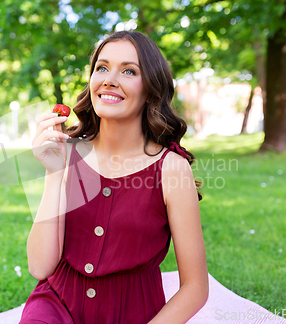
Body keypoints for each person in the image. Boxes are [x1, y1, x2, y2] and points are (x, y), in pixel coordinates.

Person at [21, 30, 208, 324]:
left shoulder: (171, 169)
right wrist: (54, 173)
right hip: (57, 306)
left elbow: (195, 289)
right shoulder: (66, 155)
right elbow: (40, 267)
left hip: (133, 314)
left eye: (129, 71)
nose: (109, 79)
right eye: (102, 67)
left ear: (151, 89)